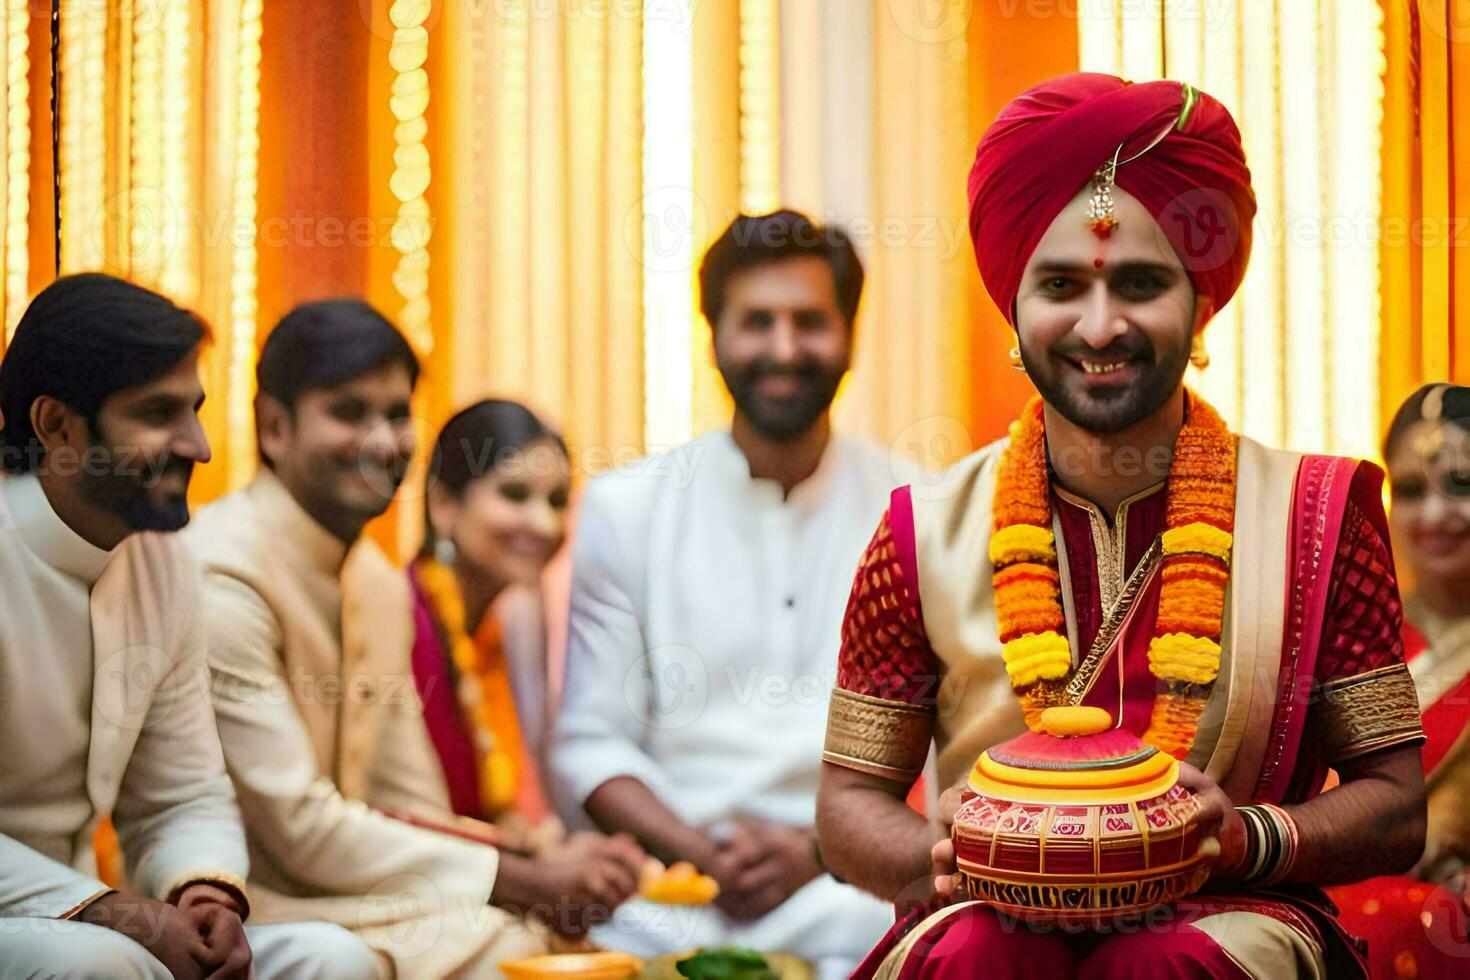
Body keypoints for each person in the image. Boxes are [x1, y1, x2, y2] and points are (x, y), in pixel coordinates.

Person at [816, 73, 1427, 979]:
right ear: (1013, 311)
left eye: (1141, 284)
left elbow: (1395, 808)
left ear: (1203, 305)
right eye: (1061, 284)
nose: (1101, 326)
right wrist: (931, 855)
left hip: (1232, 913)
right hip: (985, 908)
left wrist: (1249, 838)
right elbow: (846, 804)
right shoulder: (922, 530)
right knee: (982, 954)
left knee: (1164, 964)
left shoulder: (1323, 515)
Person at [184, 299, 645, 978]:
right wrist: (527, 879)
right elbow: (298, 828)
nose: (381, 441)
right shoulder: (223, 571)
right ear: (275, 428)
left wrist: (536, 868)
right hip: (244, 907)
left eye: (397, 415)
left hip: (349, 895)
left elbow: (411, 804)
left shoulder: (373, 580)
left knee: (534, 944)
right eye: (349, 412)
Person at [551, 210, 905, 976]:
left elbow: (952, 749)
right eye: (757, 322)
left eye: (810, 321)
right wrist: (701, 851)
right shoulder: (629, 507)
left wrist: (819, 853)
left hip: (851, 890)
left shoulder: (913, 508)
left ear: (849, 334)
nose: (784, 349)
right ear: (713, 333)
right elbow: (590, 740)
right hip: (670, 893)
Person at [0, 274, 376, 979]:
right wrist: (113, 911)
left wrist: (202, 893)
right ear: (56, 426)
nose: (199, 446)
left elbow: (183, 791)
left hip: (91, 920)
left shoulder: (162, 561)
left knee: (332, 958)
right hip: (72, 928)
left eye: (195, 410)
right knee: (106, 966)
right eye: (158, 413)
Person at [1329, 383, 1470, 978]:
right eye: (1411, 490)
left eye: (1462, 486)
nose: (1434, 515)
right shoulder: (1347, 634)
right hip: (1316, 886)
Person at [411, 398, 570, 847]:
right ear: (443, 503)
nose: (543, 523)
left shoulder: (501, 631)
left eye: (557, 501)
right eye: (514, 495)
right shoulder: (403, 622)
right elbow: (406, 817)